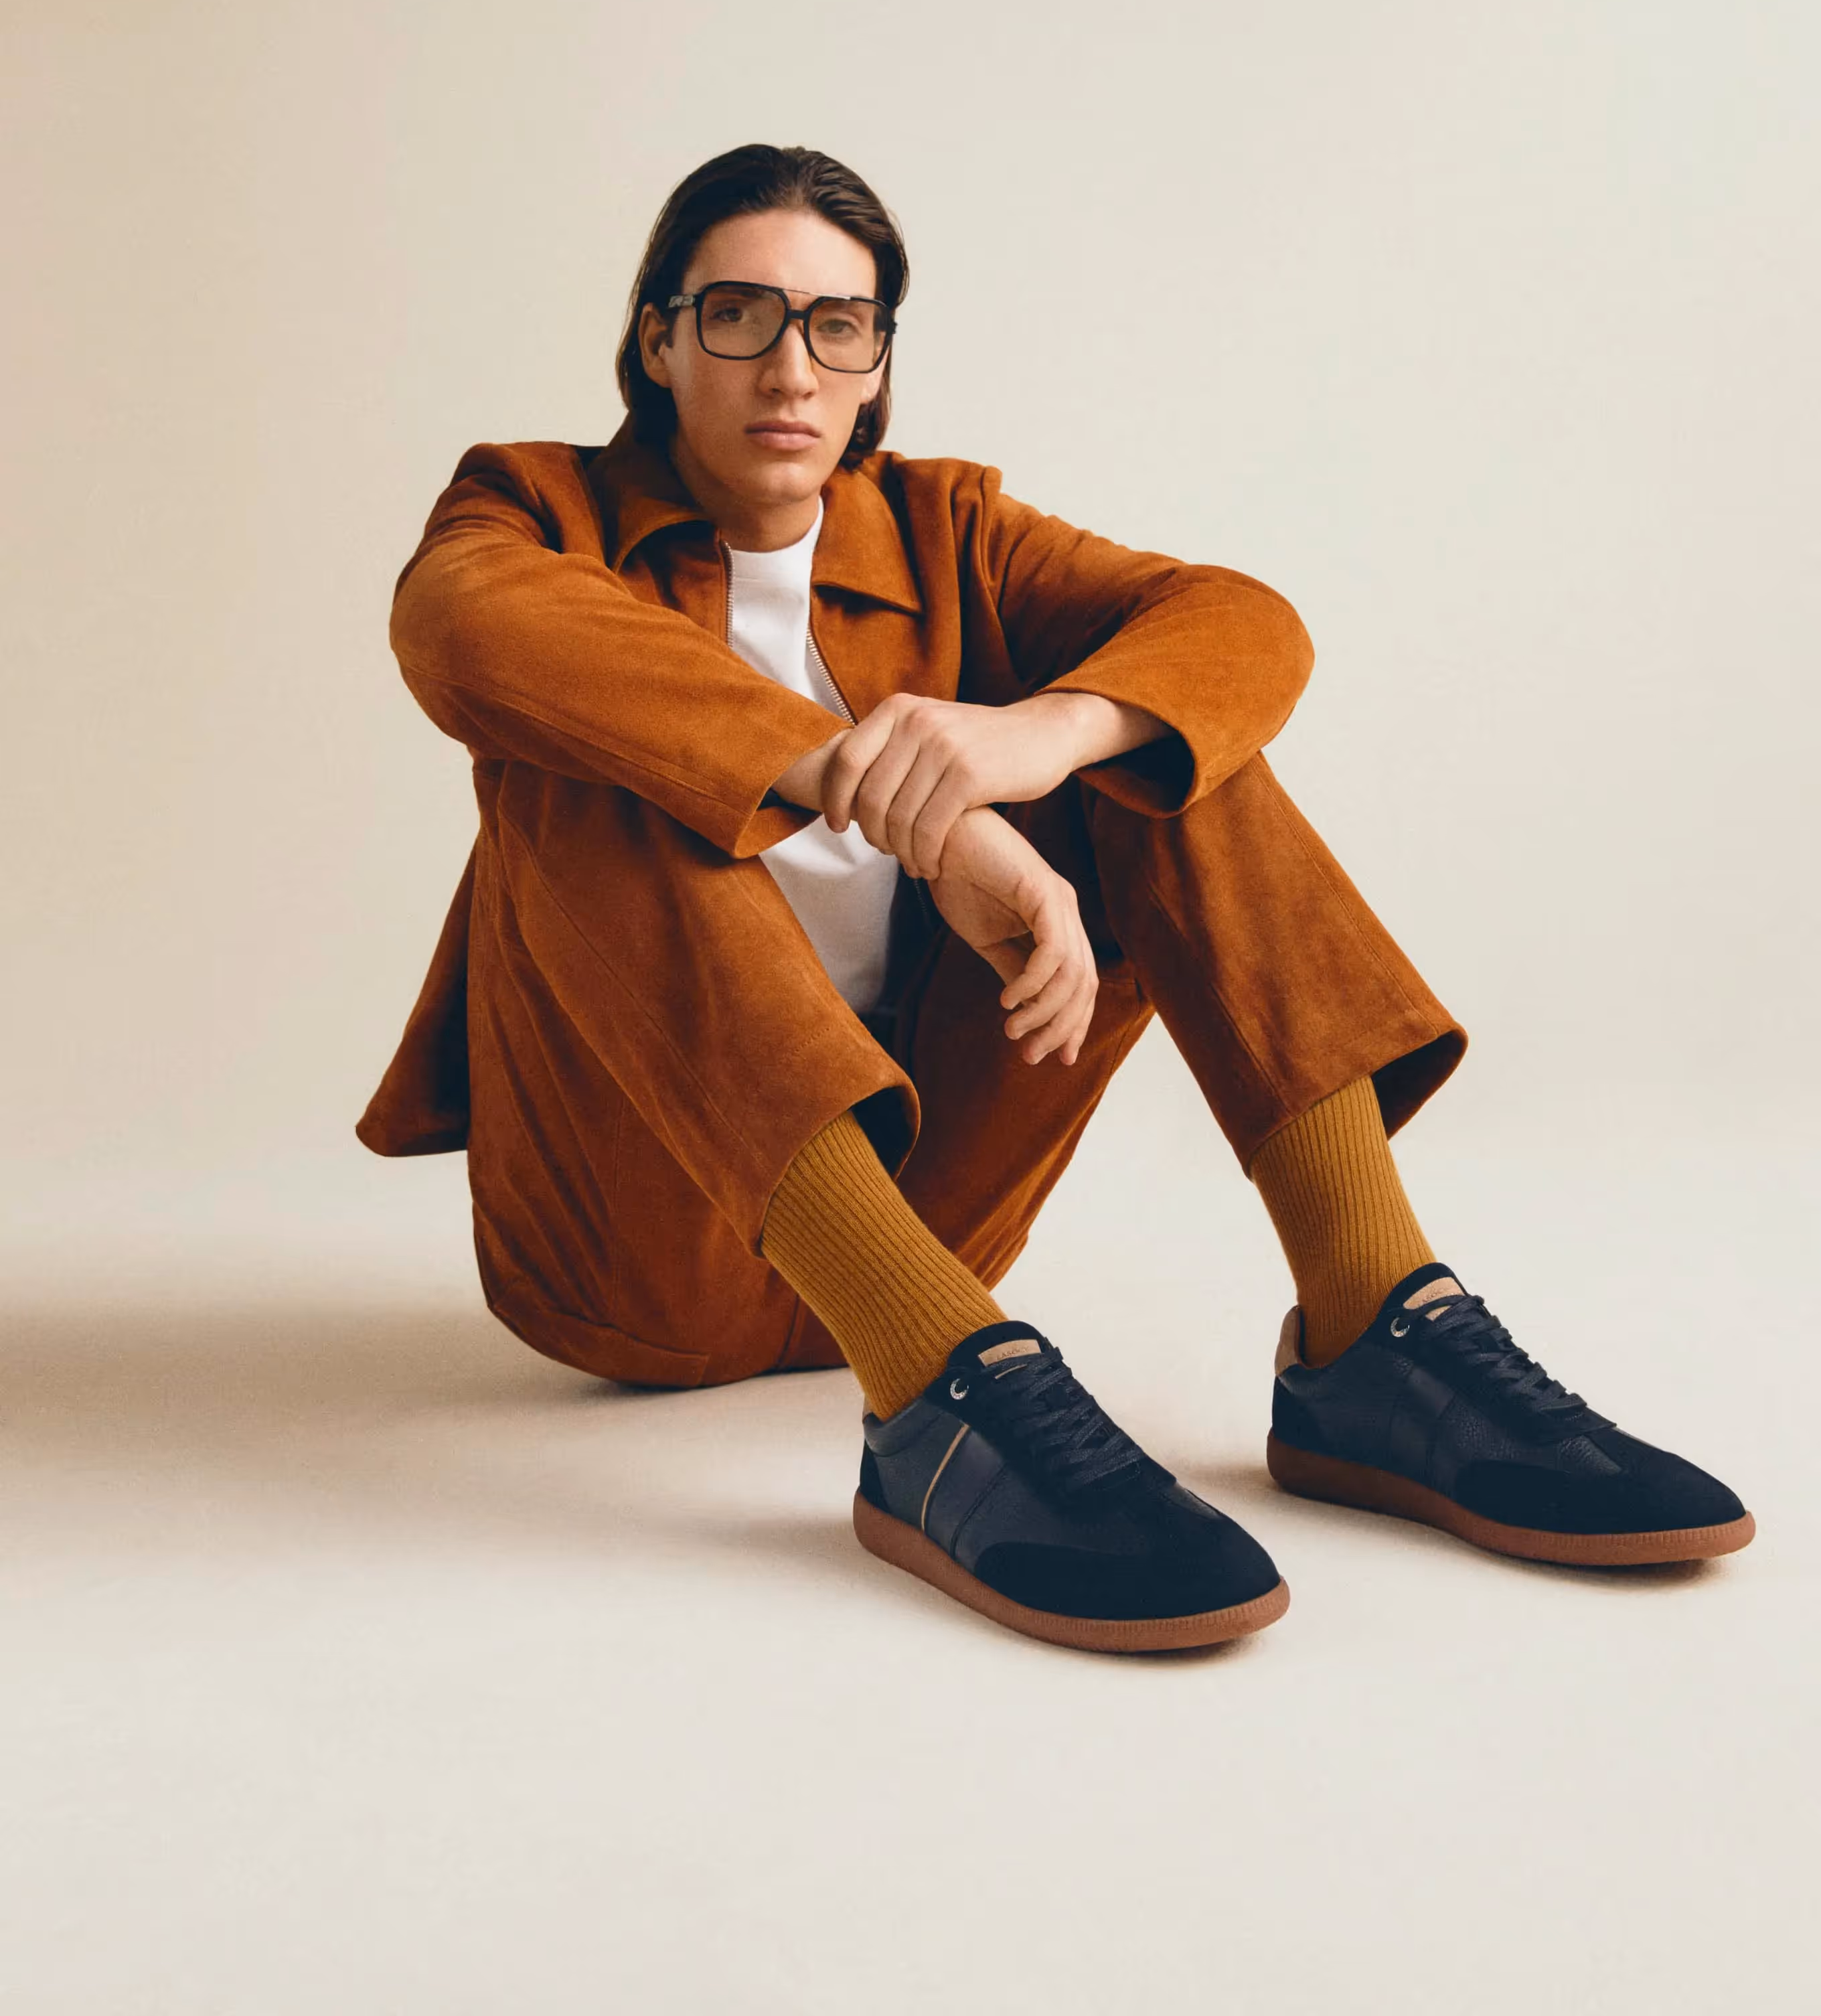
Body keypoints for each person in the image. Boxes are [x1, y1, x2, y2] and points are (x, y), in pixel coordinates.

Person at [359, 143, 1753, 1655]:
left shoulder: (945, 530)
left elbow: (1240, 622)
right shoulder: (535, 510)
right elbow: (460, 625)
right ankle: (939, 1407)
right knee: (582, 765)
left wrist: (1042, 737)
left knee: (1165, 746)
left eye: (840, 325)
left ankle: (1373, 1329)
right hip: (644, 1259)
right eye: (741, 314)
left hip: (932, 1205)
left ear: (878, 359)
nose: (793, 367)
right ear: (659, 337)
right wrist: (917, 816)